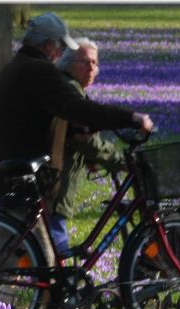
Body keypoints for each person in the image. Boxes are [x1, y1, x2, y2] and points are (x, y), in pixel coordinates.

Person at [0, 12, 152, 309]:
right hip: (23, 176)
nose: (60, 53)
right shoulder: (38, 72)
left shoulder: (15, 68)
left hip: (12, 172)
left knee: (12, 253)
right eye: (59, 47)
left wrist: (75, 131)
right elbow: (75, 106)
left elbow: (41, 115)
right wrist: (129, 117)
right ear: (48, 46)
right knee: (36, 261)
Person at [48, 39, 125, 259]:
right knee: (54, 254)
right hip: (53, 185)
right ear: (68, 63)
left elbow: (72, 136)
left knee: (35, 250)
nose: (91, 68)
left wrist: (89, 159)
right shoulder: (70, 91)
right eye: (85, 62)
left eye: (94, 62)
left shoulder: (68, 87)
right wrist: (118, 160)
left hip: (51, 183)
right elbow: (84, 139)